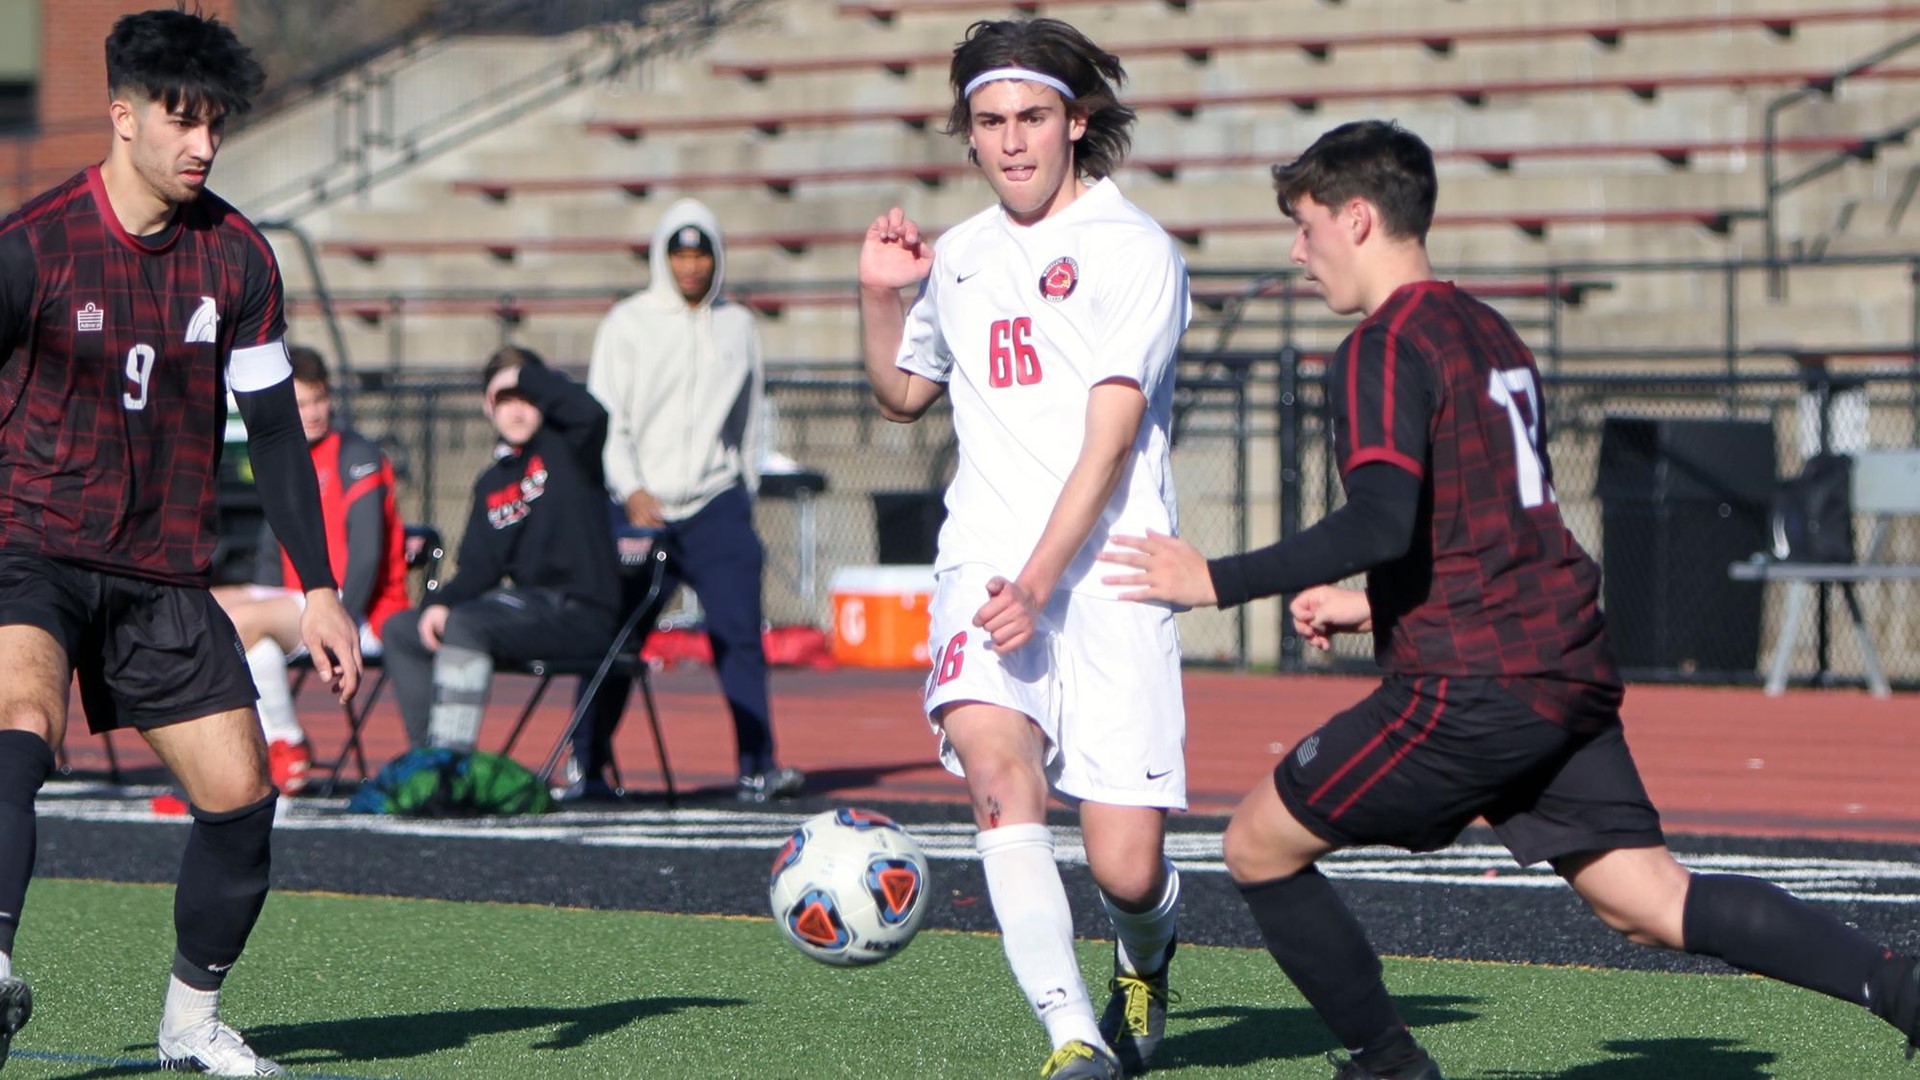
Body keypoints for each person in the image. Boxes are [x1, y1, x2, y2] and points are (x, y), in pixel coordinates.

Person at [1101, 119, 1920, 1080]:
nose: (1297, 250)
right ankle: (1902, 989)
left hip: (1472, 689)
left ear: (1358, 219)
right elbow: (1492, 524)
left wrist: (1214, 581)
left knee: (1257, 845)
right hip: (1560, 668)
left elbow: (1377, 522)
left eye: (1306, 224)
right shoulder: (1488, 329)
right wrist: (1374, 608)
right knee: (1649, 899)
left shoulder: (1379, 347)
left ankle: (1389, 1063)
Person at [0, 9, 363, 1075]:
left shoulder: (240, 259)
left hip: (160, 568)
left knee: (243, 797)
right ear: (122, 117)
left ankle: (189, 1025)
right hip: (30, 543)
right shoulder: (28, 251)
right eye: (182, 119)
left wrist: (323, 585)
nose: (203, 144)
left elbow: (278, 430)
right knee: (22, 716)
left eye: (216, 125)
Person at [858, 19, 1191, 1080]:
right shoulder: (955, 257)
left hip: (1112, 575)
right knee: (1000, 782)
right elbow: (904, 396)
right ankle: (1072, 1036)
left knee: (1126, 867)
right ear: (967, 135)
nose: (1011, 143)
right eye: (990, 122)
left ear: (1075, 123)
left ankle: (1147, 955)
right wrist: (877, 298)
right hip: (986, 566)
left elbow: (1110, 437)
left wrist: (1044, 582)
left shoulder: (1133, 249)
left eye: (1032, 118)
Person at [581, 198, 803, 803]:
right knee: (615, 637)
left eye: (700, 254)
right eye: (678, 254)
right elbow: (607, 420)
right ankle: (588, 765)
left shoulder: (738, 325)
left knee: (739, 635)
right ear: (662, 257)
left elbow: (750, 421)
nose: (690, 267)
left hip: (714, 502)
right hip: (639, 503)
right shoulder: (627, 322)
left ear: (716, 259)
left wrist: (741, 491)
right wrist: (630, 489)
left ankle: (758, 765)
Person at [380, 347, 621, 755]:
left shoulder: (568, 448)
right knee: (402, 629)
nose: (517, 411)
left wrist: (525, 377)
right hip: (527, 606)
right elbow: (479, 569)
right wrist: (438, 603)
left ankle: (452, 763)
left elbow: (592, 414)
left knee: (468, 626)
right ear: (487, 407)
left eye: (526, 399)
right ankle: (428, 758)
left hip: (582, 612)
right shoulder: (492, 483)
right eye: (504, 400)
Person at [214, 345, 409, 795]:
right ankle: (270, 745)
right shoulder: (285, 459)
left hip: (349, 610)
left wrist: (342, 620)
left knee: (237, 621)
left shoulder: (356, 453)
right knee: (203, 609)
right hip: (294, 603)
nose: (313, 412)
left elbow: (365, 556)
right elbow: (270, 552)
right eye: (300, 403)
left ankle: (277, 744)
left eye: (318, 399)